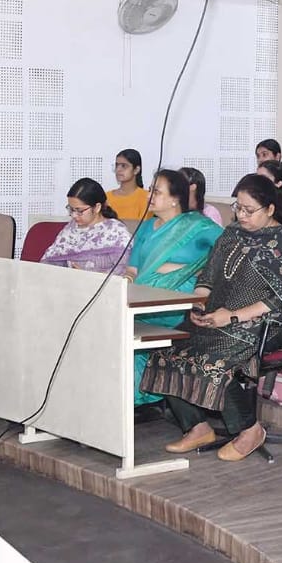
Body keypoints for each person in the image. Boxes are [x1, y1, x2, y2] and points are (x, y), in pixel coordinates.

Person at [146, 174, 282, 462]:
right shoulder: (232, 233)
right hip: (219, 316)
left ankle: (250, 430)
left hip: (267, 323)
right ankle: (197, 427)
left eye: (249, 210)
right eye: (238, 208)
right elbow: (208, 277)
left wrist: (232, 317)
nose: (241, 215)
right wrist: (198, 305)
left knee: (216, 361)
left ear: (270, 209)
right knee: (165, 351)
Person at [125, 169, 222, 406]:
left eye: (156, 191)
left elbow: (230, 253)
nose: (149, 195)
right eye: (150, 190)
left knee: (132, 338)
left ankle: (139, 393)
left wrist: (187, 270)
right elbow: (133, 270)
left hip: (176, 305)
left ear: (175, 199)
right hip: (142, 299)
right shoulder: (147, 227)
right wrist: (124, 283)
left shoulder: (198, 226)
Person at [38, 177, 132, 271]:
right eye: (71, 209)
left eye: (79, 210)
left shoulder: (116, 232)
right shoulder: (70, 229)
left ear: (97, 207)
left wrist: (88, 275)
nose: (74, 215)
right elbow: (48, 263)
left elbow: (124, 271)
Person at [109, 148, 149, 221]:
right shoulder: (106, 197)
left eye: (124, 166)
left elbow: (144, 225)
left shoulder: (147, 197)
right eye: (117, 165)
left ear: (136, 170)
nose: (118, 170)